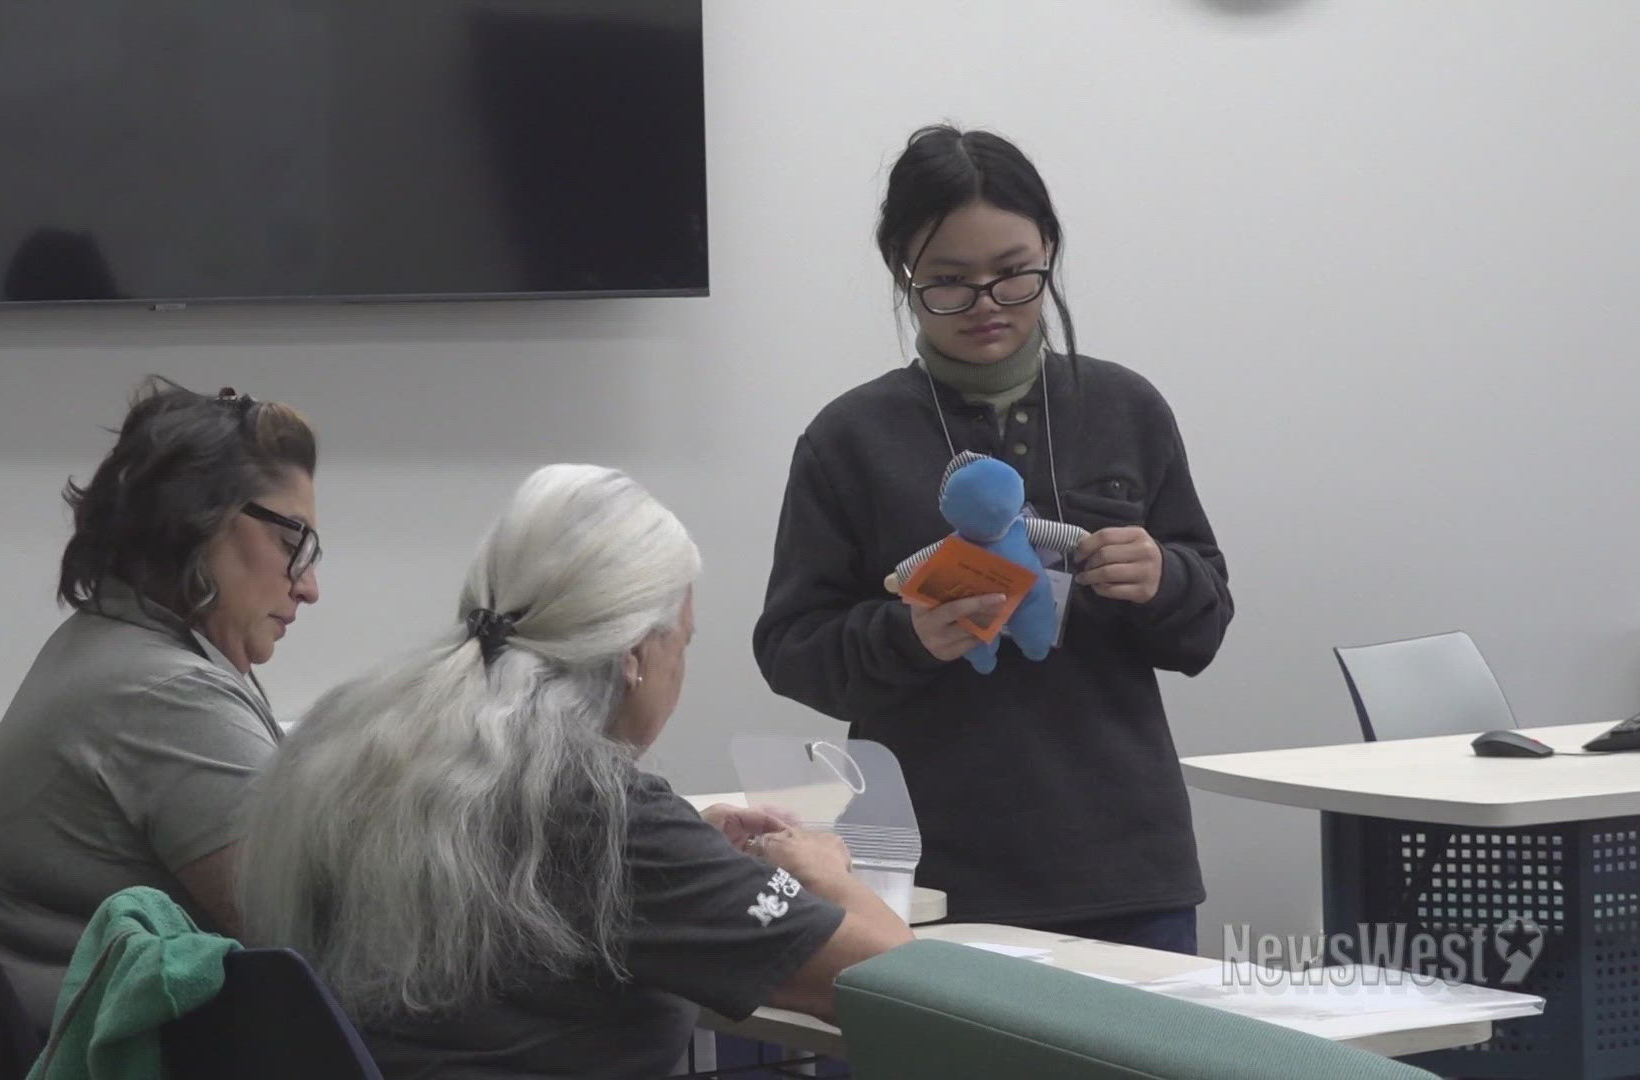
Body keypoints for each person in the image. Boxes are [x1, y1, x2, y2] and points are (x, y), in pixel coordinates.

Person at [239, 464, 911, 1078]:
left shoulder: (352, 739)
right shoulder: (601, 811)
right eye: (683, 643)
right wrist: (826, 872)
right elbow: (906, 985)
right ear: (634, 655)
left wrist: (695, 852)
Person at [754, 125, 1233, 954]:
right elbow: (792, 648)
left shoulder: (1125, 408)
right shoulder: (851, 438)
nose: (986, 305)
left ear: (1050, 250)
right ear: (901, 274)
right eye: (949, 282)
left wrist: (1164, 578)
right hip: (932, 875)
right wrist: (905, 636)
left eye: (1014, 275)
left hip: (1124, 863)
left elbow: (1204, 625)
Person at [0, 377, 322, 1025]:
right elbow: (318, 940)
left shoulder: (106, 645)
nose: (310, 585)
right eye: (291, 540)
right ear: (196, 521)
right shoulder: (164, 693)